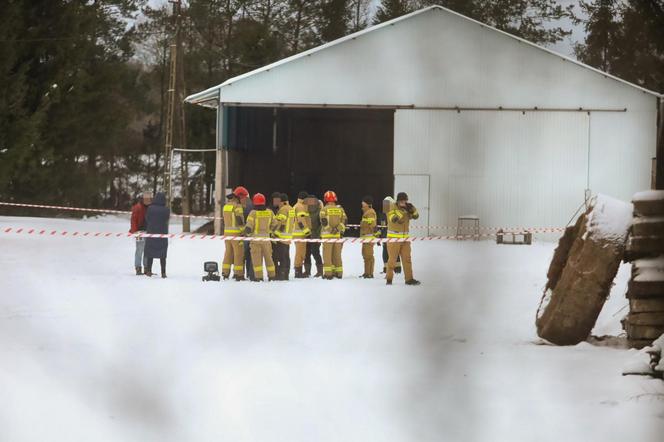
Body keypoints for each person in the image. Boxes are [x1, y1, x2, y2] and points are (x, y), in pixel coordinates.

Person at [386, 192, 421, 286]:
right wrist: (403, 210)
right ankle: (389, 279)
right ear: (397, 201)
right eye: (401, 201)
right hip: (394, 239)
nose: (403, 202)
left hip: (405, 240)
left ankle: (409, 279)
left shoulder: (407, 208)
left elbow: (416, 216)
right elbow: (393, 219)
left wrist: (412, 209)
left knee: (407, 259)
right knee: (392, 260)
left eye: (405, 200)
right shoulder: (391, 207)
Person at [244, 193, 277, 282]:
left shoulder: (253, 213)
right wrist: (269, 232)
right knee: (269, 259)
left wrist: (246, 232)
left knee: (256, 260)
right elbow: (275, 224)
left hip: (255, 241)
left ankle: (258, 277)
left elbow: (249, 226)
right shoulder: (270, 212)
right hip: (266, 240)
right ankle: (272, 276)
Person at [320, 190, 347, 279]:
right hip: (337, 236)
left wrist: (331, 230)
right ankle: (339, 273)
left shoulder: (323, 210)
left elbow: (323, 222)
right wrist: (337, 229)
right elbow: (344, 221)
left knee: (327, 256)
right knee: (337, 255)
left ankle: (328, 274)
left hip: (327, 236)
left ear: (325, 199)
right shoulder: (340, 209)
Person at [221, 188, 246, 281]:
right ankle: (238, 274)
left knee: (228, 253)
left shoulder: (226, 206)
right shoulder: (237, 206)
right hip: (236, 234)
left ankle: (225, 272)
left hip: (227, 234)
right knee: (238, 254)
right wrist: (244, 231)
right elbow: (239, 220)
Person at [144, 192, 170, 278]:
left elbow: (147, 218)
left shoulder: (150, 208)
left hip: (151, 233)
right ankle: (163, 272)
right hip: (162, 234)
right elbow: (167, 219)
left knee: (150, 253)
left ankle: (148, 271)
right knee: (162, 254)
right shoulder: (166, 209)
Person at [232, 186, 254, 281]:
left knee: (241, 254)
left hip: (243, 234)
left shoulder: (243, 206)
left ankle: (239, 274)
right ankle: (249, 273)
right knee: (248, 255)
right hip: (249, 234)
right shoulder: (250, 204)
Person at [274, 192, 295, 280]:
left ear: (282, 202)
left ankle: (281, 275)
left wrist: (275, 233)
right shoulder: (291, 209)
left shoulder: (283, 210)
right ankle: (286, 274)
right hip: (288, 236)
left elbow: (280, 223)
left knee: (281, 257)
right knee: (286, 256)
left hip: (281, 237)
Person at [130, 191, 152, 275]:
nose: (147, 200)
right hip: (139, 231)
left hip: (149, 232)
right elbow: (133, 220)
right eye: (146, 198)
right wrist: (134, 231)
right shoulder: (137, 207)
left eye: (148, 198)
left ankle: (146, 268)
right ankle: (138, 268)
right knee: (139, 250)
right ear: (143, 198)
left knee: (147, 250)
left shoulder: (151, 207)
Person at [379, 196, 401, 275]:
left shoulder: (394, 213)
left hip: (393, 236)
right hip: (385, 237)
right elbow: (381, 227)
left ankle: (397, 268)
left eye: (387, 204)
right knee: (385, 251)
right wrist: (379, 237)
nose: (385, 205)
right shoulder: (382, 215)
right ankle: (386, 268)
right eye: (384, 204)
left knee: (395, 252)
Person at [292, 191, 311, 278]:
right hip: (300, 234)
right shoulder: (300, 207)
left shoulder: (298, 205)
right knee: (300, 253)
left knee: (300, 253)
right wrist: (307, 232)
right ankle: (298, 272)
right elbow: (301, 221)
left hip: (298, 233)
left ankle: (298, 270)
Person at [304, 195, 324, 277]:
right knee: (307, 253)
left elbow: (321, 225)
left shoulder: (319, 211)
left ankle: (320, 271)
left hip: (315, 236)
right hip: (307, 235)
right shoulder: (306, 210)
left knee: (315, 253)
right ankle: (307, 271)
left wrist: (318, 235)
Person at [360, 195, 377, 278]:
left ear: (367, 203)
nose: (362, 203)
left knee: (369, 256)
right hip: (365, 238)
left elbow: (372, 224)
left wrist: (376, 234)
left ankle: (370, 273)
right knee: (365, 255)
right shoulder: (366, 212)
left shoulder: (370, 212)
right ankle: (366, 273)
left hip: (369, 238)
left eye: (363, 202)